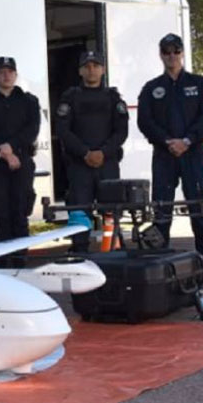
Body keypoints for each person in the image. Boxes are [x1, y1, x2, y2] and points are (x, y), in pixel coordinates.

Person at [137, 34, 203, 276]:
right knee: (161, 208)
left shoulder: (200, 84)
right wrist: (166, 141)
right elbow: (145, 121)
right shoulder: (152, 88)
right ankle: (159, 259)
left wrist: (188, 140)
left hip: (192, 153)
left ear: (182, 52)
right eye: (166, 51)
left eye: (175, 50)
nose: (171, 55)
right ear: (160, 54)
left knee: (198, 206)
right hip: (164, 155)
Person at [55, 51, 129, 253]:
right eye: (87, 66)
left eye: (96, 66)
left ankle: (112, 252)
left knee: (110, 212)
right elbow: (62, 130)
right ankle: (79, 253)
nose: (91, 70)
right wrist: (85, 153)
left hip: (108, 164)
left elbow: (121, 131)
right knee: (79, 211)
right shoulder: (70, 98)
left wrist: (103, 152)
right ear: (80, 70)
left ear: (103, 69)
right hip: (80, 165)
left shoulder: (114, 99)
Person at [0, 57, 40, 254]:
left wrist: (11, 147)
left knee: (20, 213)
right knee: (0, 214)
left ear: (16, 75)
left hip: (22, 162)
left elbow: (32, 129)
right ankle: (4, 261)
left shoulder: (29, 101)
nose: (6, 75)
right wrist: (4, 152)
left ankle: (21, 260)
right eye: (2, 72)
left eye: (10, 71)